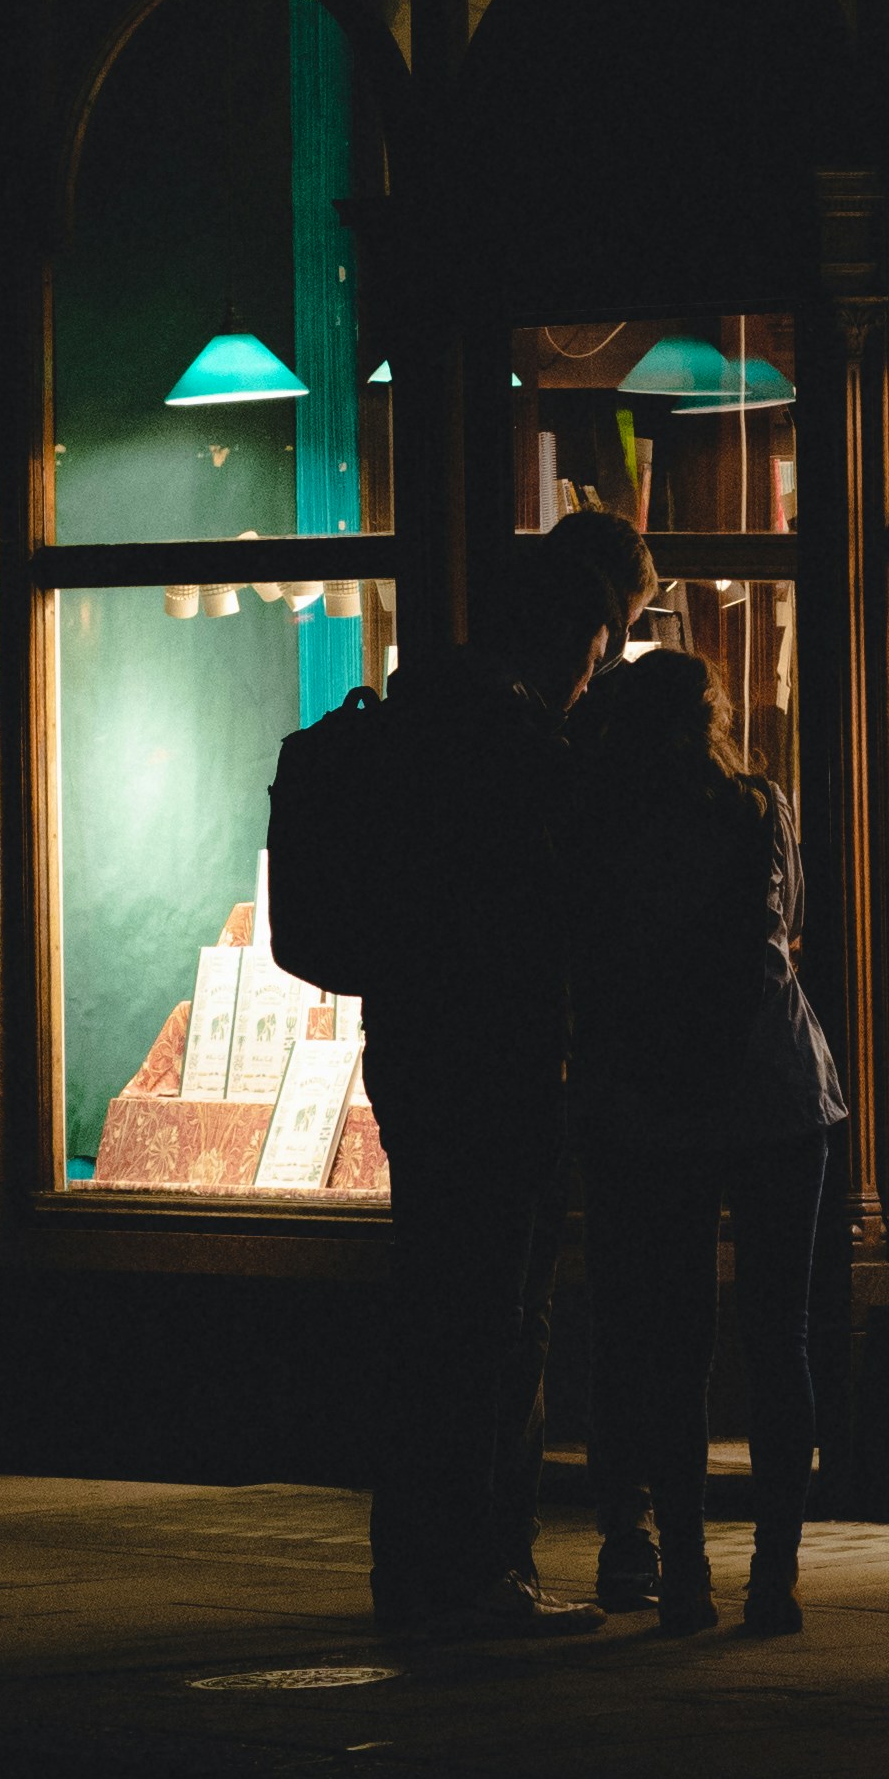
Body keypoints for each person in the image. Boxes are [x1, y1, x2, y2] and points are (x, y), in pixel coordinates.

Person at [346, 530, 615, 1637]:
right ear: (560, 637)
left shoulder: (414, 719)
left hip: (412, 1053)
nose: (593, 674)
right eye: (594, 651)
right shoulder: (515, 740)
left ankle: (412, 1568)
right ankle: (480, 1571)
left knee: (434, 1312)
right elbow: (566, 902)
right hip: (497, 1064)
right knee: (497, 1321)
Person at [566, 646, 848, 1633]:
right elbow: (793, 924)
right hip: (775, 1086)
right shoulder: (761, 806)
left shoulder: (604, 827)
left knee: (672, 1344)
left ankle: (683, 1574)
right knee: (781, 1337)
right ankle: (775, 1574)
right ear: (716, 715)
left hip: (659, 1102)